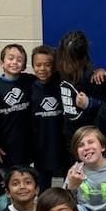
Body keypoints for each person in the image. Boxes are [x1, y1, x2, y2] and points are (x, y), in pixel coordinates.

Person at [0, 43, 34, 171]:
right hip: (4, 145)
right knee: (7, 178)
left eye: (19, 60)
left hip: (26, 143)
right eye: (10, 58)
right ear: (1, 63)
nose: (14, 62)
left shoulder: (30, 81)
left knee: (24, 174)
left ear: (24, 65)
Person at [55, 30, 106, 143]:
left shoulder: (94, 79)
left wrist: (89, 103)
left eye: (68, 61)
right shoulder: (59, 74)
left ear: (80, 60)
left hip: (88, 139)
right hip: (68, 137)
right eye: (61, 59)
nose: (63, 64)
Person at [30, 45, 65, 191]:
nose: (42, 69)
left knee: (67, 188)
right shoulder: (29, 87)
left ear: (54, 66)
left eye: (47, 65)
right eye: (38, 65)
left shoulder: (61, 84)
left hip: (62, 146)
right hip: (41, 147)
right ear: (32, 66)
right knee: (44, 188)